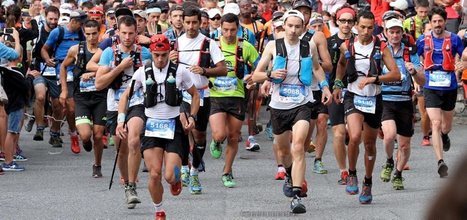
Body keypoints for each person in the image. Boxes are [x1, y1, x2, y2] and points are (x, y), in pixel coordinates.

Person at [253, 10, 332, 213]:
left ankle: (297, 196)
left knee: (298, 147)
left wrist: (324, 87)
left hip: (302, 103)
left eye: (298, 26)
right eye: (290, 26)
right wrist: (270, 74)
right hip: (279, 106)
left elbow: (316, 68)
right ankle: (289, 174)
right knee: (283, 150)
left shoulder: (309, 45)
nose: (294, 30)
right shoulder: (273, 46)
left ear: (303, 28)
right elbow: (256, 75)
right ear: (283, 26)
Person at [116, 34, 199, 220]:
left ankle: (177, 178)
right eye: (156, 55)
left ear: (169, 52)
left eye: (163, 55)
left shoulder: (180, 72)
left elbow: (195, 95)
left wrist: (192, 116)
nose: (160, 59)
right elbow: (125, 97)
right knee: (154, 174)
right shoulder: (142, 72)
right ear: (151, 54)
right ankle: (159, 211)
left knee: (169, 176)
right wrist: (121, 120)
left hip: (174, 127)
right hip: (152, 127)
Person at [332, 11, 401, 204]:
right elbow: (341, 64)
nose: (365, 31)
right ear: (356, 26)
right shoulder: (348, 45)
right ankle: (351, 173)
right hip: (354, 95)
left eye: (370, 27)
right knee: (354, 136)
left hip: (374, 98)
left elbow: (396, 74)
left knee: (370, 144)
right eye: (362, 27)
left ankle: (367, 182)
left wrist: (375, 78)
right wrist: (338, 84)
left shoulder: (382, 47)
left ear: (374, 27)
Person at [95, 15, 152, 209]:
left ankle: (132, 185)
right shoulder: (108, 54)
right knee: (121, 148)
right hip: (114, 103)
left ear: (137, 33)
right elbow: (99, 83)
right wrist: (120, 67)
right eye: (124, 33)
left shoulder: (145, 53)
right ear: (117, 32)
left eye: (131, 33)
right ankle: (126, 182)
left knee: (134, 139)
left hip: (137, 102)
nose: (127, 37)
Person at [169, 7, 227, 195]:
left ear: (200, 23)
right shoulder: (175, 43)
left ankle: (194, 170)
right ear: (182, 22)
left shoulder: (209, 43)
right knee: (185, 128)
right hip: (183, 95)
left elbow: (223, 69)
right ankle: (185, 167)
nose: (191, 26)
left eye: (195, 22)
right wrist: (170, 61)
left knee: (200, 137)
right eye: (188, 22)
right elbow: (164, 68)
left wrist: (204, 71)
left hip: (202, 94)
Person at [209, 13, 260, 188]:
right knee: (220, 134)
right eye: (225, 30)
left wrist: (253, 77)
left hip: (237, 95)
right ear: (220, 29)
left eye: (232, 30)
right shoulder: (213, 45)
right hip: (216, 94)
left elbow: (261, 65)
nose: (229, 34)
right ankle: (215, 142)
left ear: (237, 29)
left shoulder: (245, 46)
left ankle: (227, 171)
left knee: (233, 136)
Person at [416, 6, 465, 178]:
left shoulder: (454, 40)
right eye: (434, 21)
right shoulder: (422, 40)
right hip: (430, 87)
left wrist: (463, 64)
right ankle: (440, 162)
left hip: (449, 86)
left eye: (440, 21)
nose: (437, 24)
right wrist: (416, 76)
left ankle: (445, 135)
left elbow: (464, 54)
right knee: (435, 123)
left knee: (446, 126)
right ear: (430, 23)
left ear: (445, 22)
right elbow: (415, 59)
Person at [378, 18, 425, 190]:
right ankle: (390, 160)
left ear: (402, 33)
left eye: (398, 32)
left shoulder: (410, 52)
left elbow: (422, 79)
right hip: (386, 100)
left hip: (405, 100)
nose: (395, 35)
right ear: (386, 32)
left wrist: (413, 72)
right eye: (392, 32)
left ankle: (398, 174)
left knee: (404, 145)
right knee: (389, 135)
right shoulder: (381, 51)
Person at [58, 20, 107, 177]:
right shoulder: (76, 49)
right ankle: (86, 141)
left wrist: (93, 74)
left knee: (98, 135)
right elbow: (63, 66)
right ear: (84, 33)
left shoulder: (105, 51)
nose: (91, 37)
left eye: (94, 33)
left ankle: (97, 165)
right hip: (82, 98)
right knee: (86, 135)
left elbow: (111, 69)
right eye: (88, 34)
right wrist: (64, 90)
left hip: (101, 96)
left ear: (99, 33)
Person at [40, 10, 86, 151]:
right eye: (80, 22)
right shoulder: (58, 32)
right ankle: (73, 136)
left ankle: (58, 132)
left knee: (66, 107)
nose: (82, 25)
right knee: (67, 107)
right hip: (62, 69)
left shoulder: (81, 33)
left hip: (78, 70)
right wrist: (47, 59)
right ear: (73, 21)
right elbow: (44, 49)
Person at [327, 4, 356, 184]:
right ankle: (343, 171)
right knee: (338, 133)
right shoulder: (329, 42)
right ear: (336, 21)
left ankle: (351, 166)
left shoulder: (360, 41)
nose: (346, 24)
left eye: (349, 21)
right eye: (342, 21)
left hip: (355, 89)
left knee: (354, 135)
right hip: (335, 90)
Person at [29, 6, 59, 142]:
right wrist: (29, 68)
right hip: (39, 70)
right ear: (45, 17)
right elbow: (29, 51)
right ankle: (40, 128)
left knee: (58, 103)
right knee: (40, 96)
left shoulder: (61, 33)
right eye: (50, 18)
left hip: (56, 73)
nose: (53, 21)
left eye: (55, 19)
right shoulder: (39, 33)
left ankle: (55, 133)